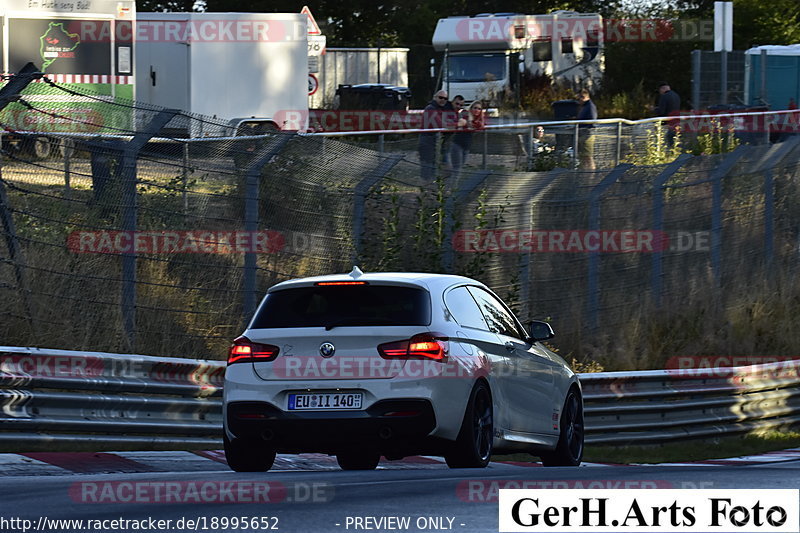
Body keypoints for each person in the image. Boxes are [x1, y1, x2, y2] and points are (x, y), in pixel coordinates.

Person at [418, 90, 453, 181]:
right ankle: (426, 189)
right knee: (427, 167)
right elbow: (440, 124)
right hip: (427, 141)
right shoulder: (431, 108)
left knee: (433, 167)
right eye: (440, 97)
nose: (443, 100)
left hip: (435, 141)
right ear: (435, 97)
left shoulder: (440, 109)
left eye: (445, 98)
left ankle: (432, 188)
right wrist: (457, 124)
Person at [449, 100, 485, 180]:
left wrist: (470, 124)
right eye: (475, 108)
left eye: (479, 109)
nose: (477, 110)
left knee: (459, 169)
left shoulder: (478, 118)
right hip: (457, 144)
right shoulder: (465, 113)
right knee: (457, 170)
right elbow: (462, 122)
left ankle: (450, 187)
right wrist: (468, 124)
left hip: (466, 146)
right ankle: (449, 190)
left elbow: (480, 125)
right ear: (471, 108)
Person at [577, 88, 597, 170]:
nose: (578, 101)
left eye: (579, 99)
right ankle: (585, 173)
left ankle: (591, 175)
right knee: (583, 157)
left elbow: (592, 119)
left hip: (587, 135)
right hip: (583, 134)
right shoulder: (584, 106)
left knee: (588, 157)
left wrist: (582, 123)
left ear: (583, 97)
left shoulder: (590, 106)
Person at [655, 81, 681, 146]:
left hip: (666, 123)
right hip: (676, 122)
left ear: (662, 89)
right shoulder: (676, 95)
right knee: (675, 141)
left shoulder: (664, 96)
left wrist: (654, 110)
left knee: (667, 141)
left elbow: (661, 111)